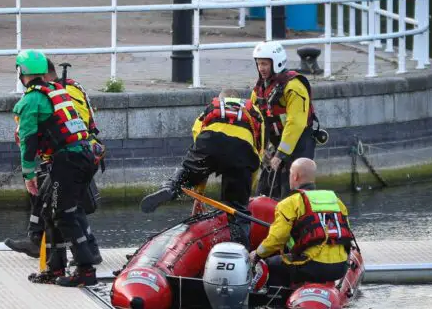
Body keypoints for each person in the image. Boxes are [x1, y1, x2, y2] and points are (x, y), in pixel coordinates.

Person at [5, 59, 104, 266]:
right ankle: (51, 258)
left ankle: (87, 260)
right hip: (71, 155)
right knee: (50, 206)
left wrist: (28, 171)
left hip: (73, 156)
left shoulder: (50, 94)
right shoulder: (57, 90)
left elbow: (33, 137)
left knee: (65, 211)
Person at [140, 88, 265, 246]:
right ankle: (240, 248)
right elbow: (258, 153)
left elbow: (198, 149)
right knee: (237, 209)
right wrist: (246, 191)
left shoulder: (210, 109)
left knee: (187, 173)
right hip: (241, 150)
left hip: (209, 141)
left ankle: (171, 187)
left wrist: (198, 193)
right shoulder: (254, 112)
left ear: (220, 99)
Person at [249, 158, 353, 288]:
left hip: (312, 266)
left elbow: (277, 239)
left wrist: (258, 254)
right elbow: (346, 233)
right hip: (340, 267)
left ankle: (278, 302)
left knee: (269, 264)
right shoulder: (336, 201)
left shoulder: (289, 203)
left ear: (295, 176)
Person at [250, 41, 325, 199]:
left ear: (276, 62)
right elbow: (254, 119)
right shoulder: (260, 89)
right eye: (258, 64)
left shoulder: (294, 87)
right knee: (264, 187)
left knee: (292, 189)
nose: (261, 68)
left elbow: (295, 123)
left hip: (299, 143)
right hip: (277, 144)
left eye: (264, 64)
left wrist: (280, 155)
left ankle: (299, 217)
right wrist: (261, 151)